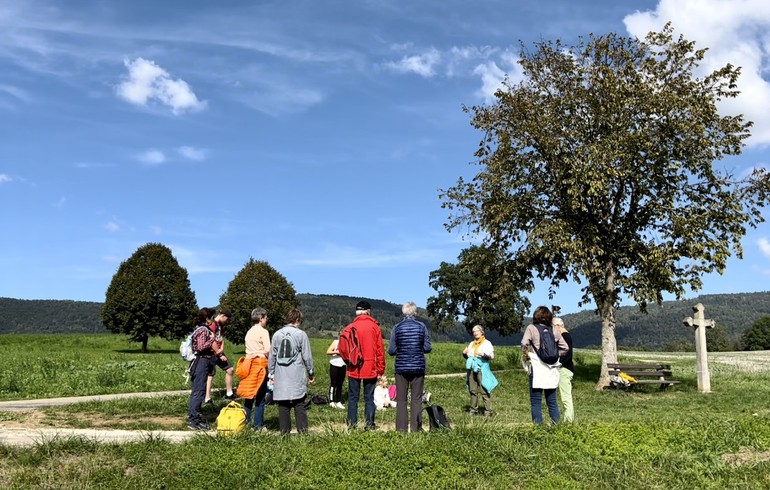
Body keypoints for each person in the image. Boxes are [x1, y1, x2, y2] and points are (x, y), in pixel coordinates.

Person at [267, 309, 315, 434]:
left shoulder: (277, 335)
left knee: (283, 405)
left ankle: (284, 434)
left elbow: (272, 356)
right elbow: (307, 356)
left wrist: (271, 373)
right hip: (296, 373)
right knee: (299, 403)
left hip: (281, 374)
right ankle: (303, 432)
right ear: (297, 320)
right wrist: (311, 372)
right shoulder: (301, 334)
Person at [521, 305, 570, 425]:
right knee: (552, 401)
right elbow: (565, 348)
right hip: (551, 369)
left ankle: (538, 428)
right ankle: (556, 426)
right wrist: (555, 355)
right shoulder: (554, 329)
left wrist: (527, 354)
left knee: (536, 401)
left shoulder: (531, 328)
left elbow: (524, 343)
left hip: (536, 368)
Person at [388, 301, 432, 432]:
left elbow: (391, 350)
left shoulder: (397, 327)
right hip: (418, 367)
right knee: (416, 399)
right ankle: (415, 428)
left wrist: (401, 349)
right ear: (415, 312)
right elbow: (427, 348)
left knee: (401, 400)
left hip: (401, 367)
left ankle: (401, 429)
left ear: (403, 312)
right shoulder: (421, 326)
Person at [343, 300, 385, 430]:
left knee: (353, 397)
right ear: (368, 311)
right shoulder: (374, 327)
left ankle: (352, 425)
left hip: (353, 366)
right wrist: (380, 369)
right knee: (369, 397)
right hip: (370, 366)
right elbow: (380, 350)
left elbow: (343, 349)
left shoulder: (350, 327)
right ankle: (369, 424)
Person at [236, 307, 271, 430]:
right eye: (265, 318)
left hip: (248, 364)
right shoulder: (263, 332)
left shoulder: (249, 331)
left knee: (249, 395)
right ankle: (258, 425)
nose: (266, 320)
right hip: (260, 365)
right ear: (261, 318)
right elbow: (267, 350)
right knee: (260, 397)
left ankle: (245, 423)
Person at [187, 307, 217, 430]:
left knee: (198, 391)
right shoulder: (204, 330)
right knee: (198, 391)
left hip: (199, 362)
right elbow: (200, 347)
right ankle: (194, 421)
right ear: (207, 318)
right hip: (201, 362)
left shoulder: (198, 328)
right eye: (212, 318)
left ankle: (194, 418)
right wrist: (212, 339)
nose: (213, 320)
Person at [463, 324, 498, 416]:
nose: (475, 333)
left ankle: (488, 411)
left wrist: (483, 354)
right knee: (472, 390)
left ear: (482, 332)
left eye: (477, 331)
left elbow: (492, 357)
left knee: (484, 390)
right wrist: (464, 354)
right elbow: (469, 358)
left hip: (481, 369)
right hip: (471, 369)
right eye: (473, 331)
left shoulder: (487, 343)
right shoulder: (471, 344)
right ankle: (473, 410)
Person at [204, 308, 234, 404]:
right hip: (212, 352)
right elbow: (211, 340)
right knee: (210, 374)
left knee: (230, 369)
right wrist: (219, 353)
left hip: (219, 351)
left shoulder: (220, 325)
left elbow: (221, 338)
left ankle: (229, 393)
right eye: (227, 319)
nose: (227, 322)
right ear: (223, 316)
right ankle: (207, 398)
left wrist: (222, 348)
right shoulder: (213, 324)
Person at [554, 316, 575, 423]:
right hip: (565, 368)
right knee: (565, 395)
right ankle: (568, 419)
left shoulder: (565, 336)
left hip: (564, 369)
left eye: (553, 327)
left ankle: (568, 420)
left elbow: (567, 354)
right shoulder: (565, 335)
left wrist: (557, 363)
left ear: (558, 326)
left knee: (566, 396)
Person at [326, 331, 346, 409]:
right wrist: (337, 352)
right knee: (333, 383)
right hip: (334, 364)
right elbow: (328, 351)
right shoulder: (336, 342)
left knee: (340, 384)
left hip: (343, 364)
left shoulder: (347, 344)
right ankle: (331, 400)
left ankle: (338, 401)